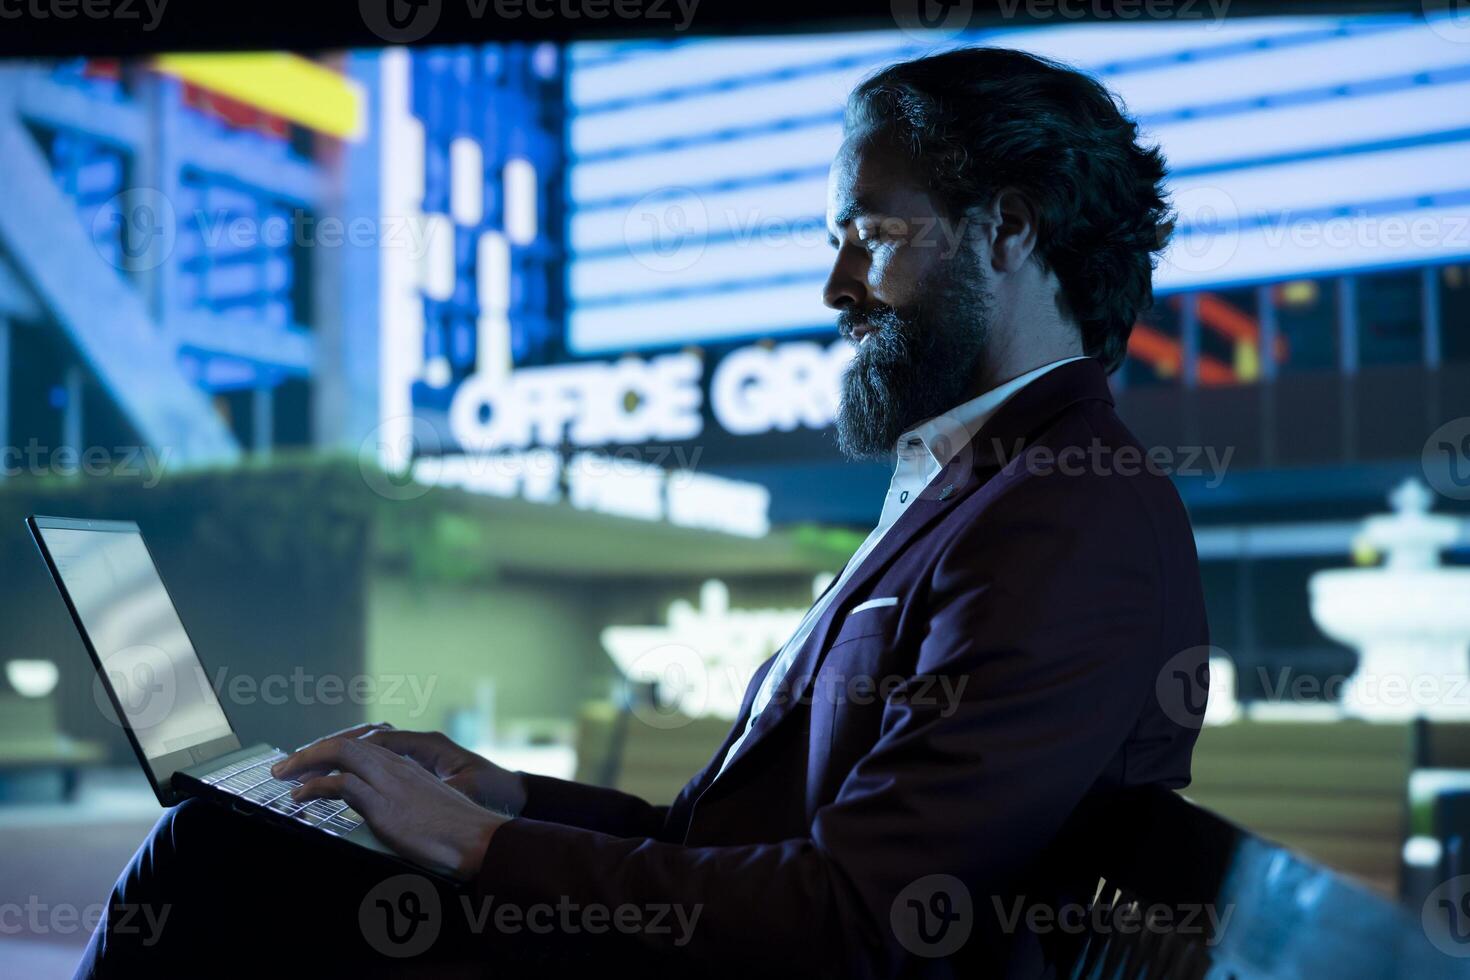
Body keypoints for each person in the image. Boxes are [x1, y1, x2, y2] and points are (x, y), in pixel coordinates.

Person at [78, 46, 1207, 979]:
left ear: (1006, 231)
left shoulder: (1062, 517)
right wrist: (498, 795)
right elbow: (716, 841)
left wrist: (475, 845)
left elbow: (859, 916)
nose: (836, 289)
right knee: (242, 844)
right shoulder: (992, 487)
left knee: (214, 856)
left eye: (869, 233)